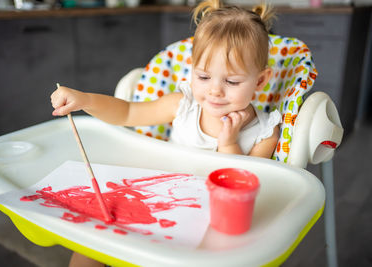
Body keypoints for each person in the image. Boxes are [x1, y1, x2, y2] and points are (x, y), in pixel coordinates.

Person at [51, 0, 280, 266]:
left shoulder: (265, 132)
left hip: (210, 226)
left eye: (231, 81)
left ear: (260, 81)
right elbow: (127, 113)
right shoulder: (182, 106)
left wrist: (228, 144)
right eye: (204, 77)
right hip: (156, 201)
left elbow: (243, 196)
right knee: (87, 248)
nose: (215, 90)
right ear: (192, 69)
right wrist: (85, 100)